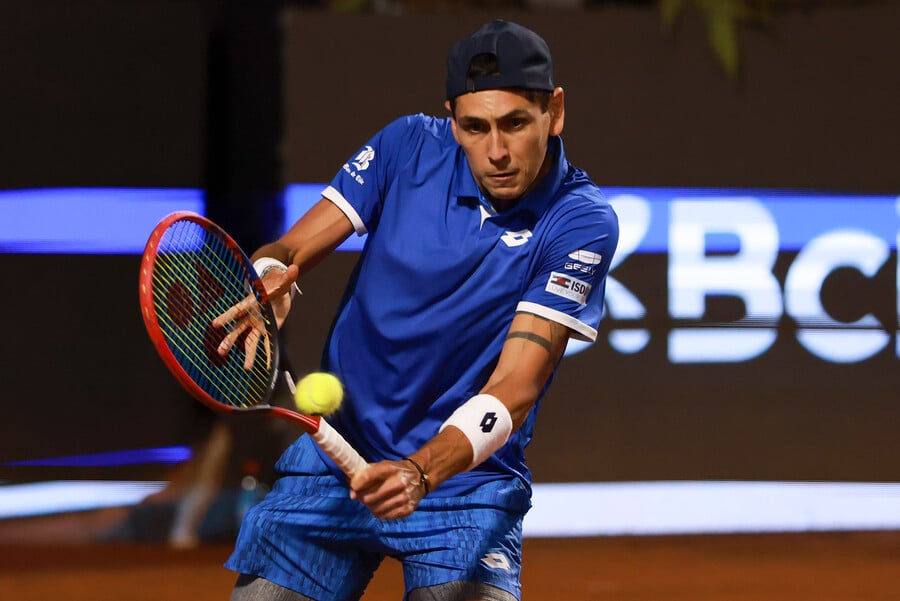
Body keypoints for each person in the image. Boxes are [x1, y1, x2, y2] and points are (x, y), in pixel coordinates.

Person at [220, 19, 619, 601]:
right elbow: (289, 251)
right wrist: (266, 280)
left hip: (464, 489)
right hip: (334, 463)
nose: (497, 151)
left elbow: (515, 387)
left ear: (554, 112)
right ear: (452, 119)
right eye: (475, 127)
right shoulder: (405, 146)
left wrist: (421, 471)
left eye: (515, 123)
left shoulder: (580, 221)